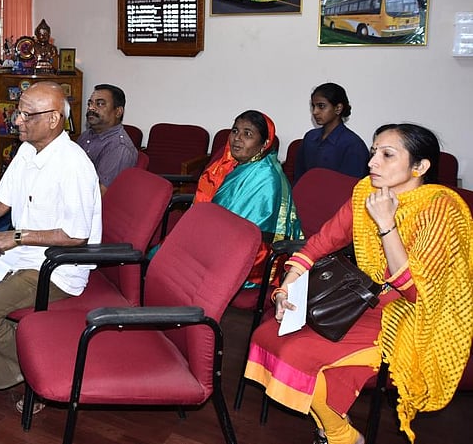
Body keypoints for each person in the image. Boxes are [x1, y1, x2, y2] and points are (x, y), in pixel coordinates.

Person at [245, 123, 473, 444]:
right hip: (368, 299)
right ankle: (338, 431)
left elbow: (412, 292)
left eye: (387, 155)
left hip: (415, 316)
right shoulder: (367, 191)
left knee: (301, 357)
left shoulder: (441, 210)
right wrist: (288, 286)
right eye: (373, 152)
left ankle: (340, 436)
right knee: (269, 335)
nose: (371, 163)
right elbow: (322, 242)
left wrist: (386, 224)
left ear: (420, 167)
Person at [0, 81, 101, 398]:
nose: (16, 121)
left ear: (53, 119)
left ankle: (38, 374)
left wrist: (19, 236)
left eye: (26, 115)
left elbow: (77, 236)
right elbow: (0, 204)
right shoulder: (27, 151)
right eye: (18, 112)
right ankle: (23, 343)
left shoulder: (73, 165)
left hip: (56, 267)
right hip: (26, 254)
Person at [194, 110, 302, 286]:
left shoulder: (266, 177)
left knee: (177, 257)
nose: (237, 138)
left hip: (250, 258)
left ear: (265, 143)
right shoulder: (234, 164)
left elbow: (243, 230)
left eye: (248, 134)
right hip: (224, 237)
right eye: (235, 131)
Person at [294, 82, 369, 182]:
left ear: (338, 108)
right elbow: (299, 178)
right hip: (305, 196)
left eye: (321, 106)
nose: (315, 112)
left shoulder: (353, 145)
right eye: (313, 106)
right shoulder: (310, 137)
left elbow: (350, 187)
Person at [77, 84, 138, 194]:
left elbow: (99, 196)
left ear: (118, 112)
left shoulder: (118, 148)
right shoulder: (87, 135)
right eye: (90, 103)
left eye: (100, 104)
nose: (91, 108)